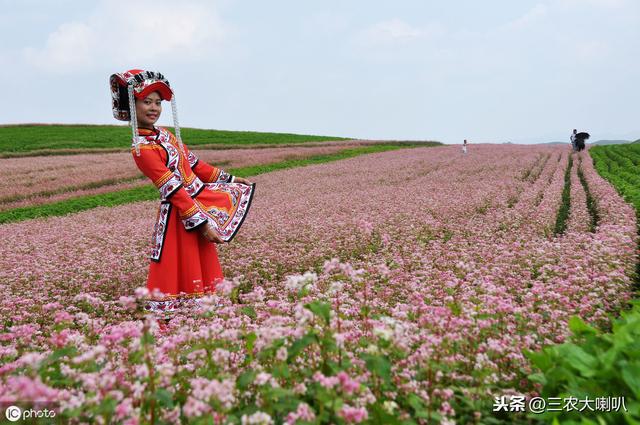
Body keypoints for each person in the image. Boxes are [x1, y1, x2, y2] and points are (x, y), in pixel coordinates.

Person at [110, 69, 255, 317]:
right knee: (179, 264)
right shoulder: (142, 149)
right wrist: (201, 222)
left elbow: (195, 165)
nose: (154, 108)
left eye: (158, 102)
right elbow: (173, 188)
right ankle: (176, 321)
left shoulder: (165, 135)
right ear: (133, 106)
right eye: (146, 102)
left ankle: (206, 316)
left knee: (201, 263)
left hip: (193, 208)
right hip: (179, 215)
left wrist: (229, 178)